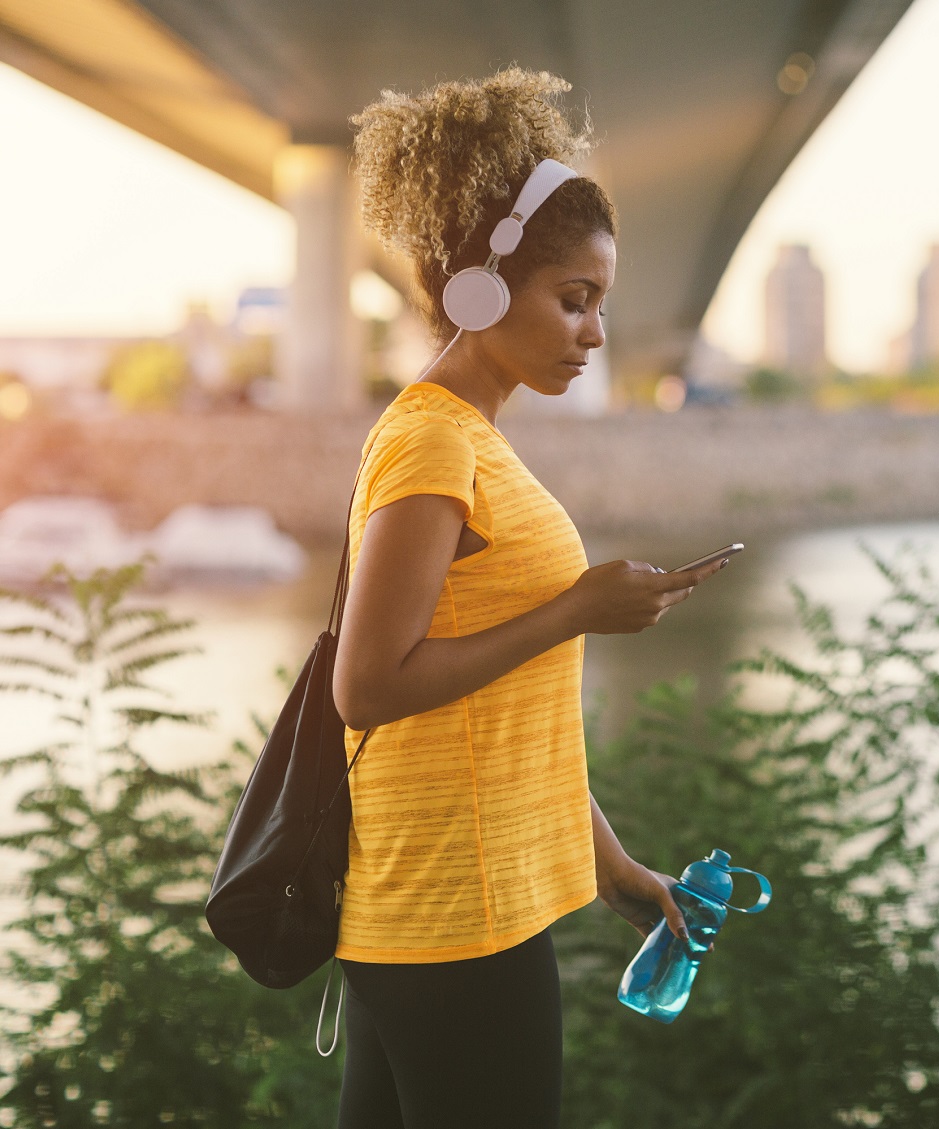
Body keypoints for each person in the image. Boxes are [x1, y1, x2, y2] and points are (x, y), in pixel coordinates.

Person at [332, 67, 728, 1129]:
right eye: (573, 299)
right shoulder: (429, 441)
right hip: (456, 915)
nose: (593, 334)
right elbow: (366, 686)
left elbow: (511, 712)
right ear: (477, 288)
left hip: (447, 906)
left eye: (600, 305)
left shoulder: (473, 443)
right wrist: (574, 609)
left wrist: (613, 867)